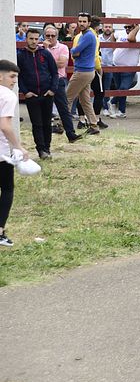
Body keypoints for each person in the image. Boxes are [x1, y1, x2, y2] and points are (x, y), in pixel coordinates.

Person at [16, 29, 58, 159]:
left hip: (47, 94)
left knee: (46, 122)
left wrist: (52, 90)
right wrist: (25, 91)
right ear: (26, 39)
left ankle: (47, 148)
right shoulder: (21, 56)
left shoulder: (45, 53)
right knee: (37, 123)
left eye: (36, 39)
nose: (34, 41)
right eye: (31, 39)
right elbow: (19, 75)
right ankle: (41, 150)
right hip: (32, 95)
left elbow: (55, 73)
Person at [0, 59, 27, 247]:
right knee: (7, 189)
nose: (14, 81)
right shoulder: (7, 96)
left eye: (16, 77)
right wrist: (18, 146)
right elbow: (5, 125)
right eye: (11, 76)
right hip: (1, 153)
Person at [41, 26, 80, 143]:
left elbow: (62, 64)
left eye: (53, 36)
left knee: (63, 108)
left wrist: (46, 52)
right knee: (44, 109)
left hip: (58, 79)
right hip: (43, 80)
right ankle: (44, 134)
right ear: (44, 36)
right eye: (48, 36)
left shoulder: (62, 47)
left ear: (57, 36)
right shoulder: (39, 48)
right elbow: (40, 64)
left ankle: (71, 134)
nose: (50, 38)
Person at [66, 13, 100, 135]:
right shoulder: (87, 35)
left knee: (67, 98)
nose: (81, 23)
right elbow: (76, 53)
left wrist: (73, 51)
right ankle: (94, 125)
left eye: (84, 21)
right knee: (85, 101)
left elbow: (75, 51)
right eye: (80, 21)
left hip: (82, 71)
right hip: (88, 71)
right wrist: (75, 52)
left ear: (89, 23)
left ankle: (62, 124)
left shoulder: (87, 36)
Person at [110, 23, 140, 119]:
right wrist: (114, 48)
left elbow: (130, 39)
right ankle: (121, 111)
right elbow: (112, 36)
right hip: (116, 66)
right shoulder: (120, 33)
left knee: (123, 88)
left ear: (135, 27)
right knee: (120, 88)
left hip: (129, 68)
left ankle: (112, 102)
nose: (127, 29)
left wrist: (136, 29)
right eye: (126, 27)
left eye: (130, 27)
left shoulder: (139, 36)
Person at [98, 22, 116, 115]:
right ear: (102, 28)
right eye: (106, 27)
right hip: (99, 66)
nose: (108, 28)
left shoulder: (114, 39)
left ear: (112, 28)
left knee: (107, 87)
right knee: (98, 87)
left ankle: (106, 107)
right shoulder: (98, 37)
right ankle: (100, 107)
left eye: (110, 27)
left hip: (110, 66)